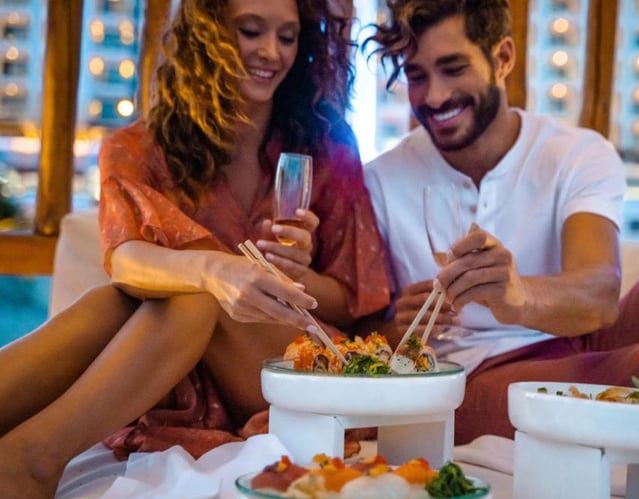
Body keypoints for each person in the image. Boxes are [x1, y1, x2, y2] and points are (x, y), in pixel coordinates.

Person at [363, 0, 639, 481]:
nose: (434, 95)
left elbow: (599, 295)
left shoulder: (575, 152)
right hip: (471, 378)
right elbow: (364, 336)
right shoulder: (380, 181)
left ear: (503, 58)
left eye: (453, 68)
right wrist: (400, 327)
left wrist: (518, 296)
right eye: (416, 76)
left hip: (580, 338)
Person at [0, 0, 390, 496]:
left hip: (296, 356)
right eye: (250, 31)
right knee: (140, 299)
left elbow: (357, 302)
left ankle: (32, 460)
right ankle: (22, 459)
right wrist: (213, 270)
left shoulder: (327, 148)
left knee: (191, 296)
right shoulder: (139, 147)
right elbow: (125, 261)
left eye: (288, 37)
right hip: (171, 356)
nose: (270, 52)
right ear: (206, 36)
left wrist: (298, 278)